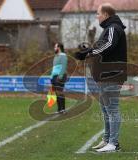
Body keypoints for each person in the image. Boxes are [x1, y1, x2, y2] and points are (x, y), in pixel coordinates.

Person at [75, 3, 127, 152]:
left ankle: (114, 143)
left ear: (105, 14)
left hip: (112, 75)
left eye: (98, 13)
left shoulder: (113, 28)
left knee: (112, 109)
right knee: (105, 109)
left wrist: (89, 53)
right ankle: (107, 139)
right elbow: (103, 46)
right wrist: (89, 50)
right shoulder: (109, 28)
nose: (97, 16)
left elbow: (108, 45)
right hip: (105, 75)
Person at [51, 42, 68, 114]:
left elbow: (64, 67)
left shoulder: (63, 56)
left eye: (55, 47)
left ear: (59, 48)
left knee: (60, 92)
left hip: (60, 76)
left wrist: (60, 76)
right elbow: (54, 68)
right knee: (57, 93)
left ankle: (63, 109)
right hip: (54, 76)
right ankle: (59, 109)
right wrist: (51, 77)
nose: (54, 48)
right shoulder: (56, 56)